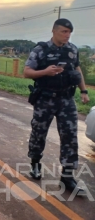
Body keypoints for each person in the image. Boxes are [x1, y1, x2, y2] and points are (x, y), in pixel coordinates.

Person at [24, 18, 90, 194]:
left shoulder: (72, 49)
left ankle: (68, 177)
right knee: (39, 133)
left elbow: (77, 70)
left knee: (70, 137)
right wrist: (46, 72)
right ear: (54, 31)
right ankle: (35, 163)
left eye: (69, 32)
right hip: (45, 99)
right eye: (64, 32)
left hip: (67, 100)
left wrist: (84, 91)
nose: (67, 35)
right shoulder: (41, 50)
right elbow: (26, 72)